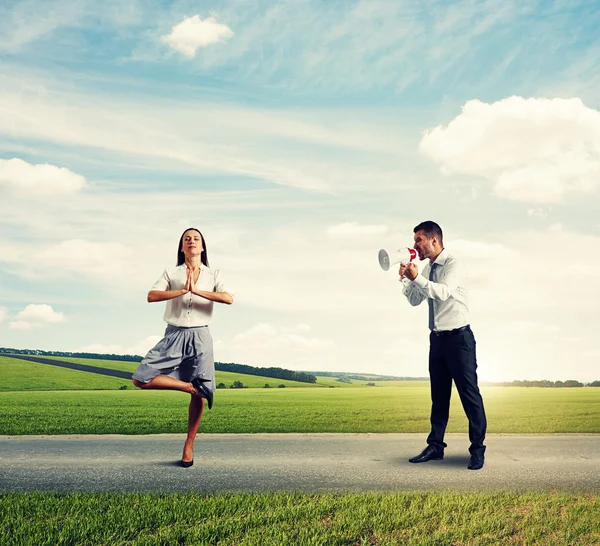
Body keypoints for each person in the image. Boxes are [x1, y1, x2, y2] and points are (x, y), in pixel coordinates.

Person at [132, 227, 234, 468]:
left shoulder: (213, 274)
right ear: (181, 247)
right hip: (174, 334)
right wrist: (181, 290)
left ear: (202, 246)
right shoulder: (171, 272)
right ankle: (189, 386)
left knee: (201, 395)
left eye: (196, 239)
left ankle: (189, 445)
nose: (191, 242)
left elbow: (229, 298)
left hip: (201, 336)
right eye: (187, 239)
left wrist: (197, 290)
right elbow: (151, 295)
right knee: (141, 378)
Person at [399, 221, 487, 470]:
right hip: (437, 341)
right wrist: (408, 280)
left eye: (418, 240)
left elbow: (443, 292)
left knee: (470, 397)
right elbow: (416, 301)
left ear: (433, 240)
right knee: (439, 397)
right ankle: (436, 446)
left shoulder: (453, 264)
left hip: (459, 340)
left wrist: (418, 278)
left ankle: (477, 451)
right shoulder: (427, 269)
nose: (415, 245)